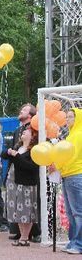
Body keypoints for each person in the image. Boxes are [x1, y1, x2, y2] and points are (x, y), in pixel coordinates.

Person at [1, 126, 39, 247]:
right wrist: (8, 152)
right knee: (17, 210)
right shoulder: (18, 147)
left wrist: (16, 156)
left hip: (27, 183)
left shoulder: (33, 150)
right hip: (14, 182)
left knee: (26, 210)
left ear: (32, 136)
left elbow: (32, 167)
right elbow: (4, 155)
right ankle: (22, 235)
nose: (23, 132)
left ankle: (25, 237)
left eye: (27, 131)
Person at [6, 103, 39, 240]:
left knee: (30, 204)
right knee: (17, 204)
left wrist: (17, 155)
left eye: (24, 109)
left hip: (29, 176)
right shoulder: (17, 131)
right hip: (15, 174)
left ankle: (35, 232)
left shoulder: (35, 128)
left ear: (31, 115)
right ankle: (20, 232)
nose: (21, 110)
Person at [57, 108, 82, 254]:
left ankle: (79, 244)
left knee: (78, 212)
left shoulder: (78, 134)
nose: (67, 119)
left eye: (71, 117)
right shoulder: (72, 134)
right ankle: (73, 242)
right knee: (71, 212)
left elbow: (72, 156)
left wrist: (59, 165)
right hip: (68, 175)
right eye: (67, 117)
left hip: (75, 174)